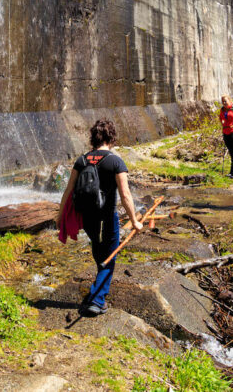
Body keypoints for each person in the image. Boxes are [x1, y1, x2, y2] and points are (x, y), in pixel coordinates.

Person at [57, 119, 143, 316]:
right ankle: (97, 300)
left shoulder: (82, 160)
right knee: (109, 258)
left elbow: (68, 192)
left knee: (99, 253)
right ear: (111, 138)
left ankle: (96, 290)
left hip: (88, 218)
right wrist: (135, 221)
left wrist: (60, 216)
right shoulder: (115, 161)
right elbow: (125, 194)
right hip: (107, 217)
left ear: (93, 137)